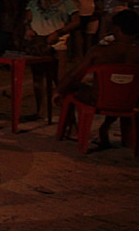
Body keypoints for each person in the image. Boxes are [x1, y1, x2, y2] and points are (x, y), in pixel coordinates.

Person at [55, 9, 139, 148]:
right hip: (130, 101)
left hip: (98, 98)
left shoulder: (99, 51)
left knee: (70, 87)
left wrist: (59, 90)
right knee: (121, 91)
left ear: (116, 29)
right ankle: (105, 127)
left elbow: (74, 74)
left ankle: (73, 130)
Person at [24, 0, 80, 117]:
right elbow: (28, 18)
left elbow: (76, 21)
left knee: (59, 80)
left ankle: (66, 113)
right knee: (37, 79)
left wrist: (59, 32)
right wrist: (28, 29)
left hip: (57, 43)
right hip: (38, 42)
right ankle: (40, 110)